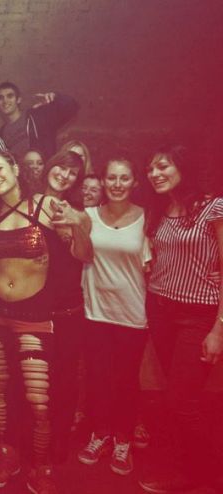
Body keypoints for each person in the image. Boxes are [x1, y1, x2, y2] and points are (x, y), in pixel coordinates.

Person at [0, 151, 86, 494]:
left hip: (34, 318)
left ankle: (41, 465)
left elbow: (83, 255)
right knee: (0, 387)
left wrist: (77, 225)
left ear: (15, 169)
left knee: (39, 401)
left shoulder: (44, 205)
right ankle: (8, 455)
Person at [138, 144, 223, 493]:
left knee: (181, 401)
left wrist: (219, 329)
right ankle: (188, 466)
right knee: (178, 398)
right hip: (161, 310)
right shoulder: (160, 210)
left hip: (197, 315)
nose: (155, 174)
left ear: (182, 167)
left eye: (163, 166)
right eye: (150, 169)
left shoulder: (213, 207)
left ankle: (206, 474)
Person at [78, 159, 150, 476]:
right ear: (103, 181)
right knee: (97, 378)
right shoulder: (89, 216)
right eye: (111, 178)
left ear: (134, 182)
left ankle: (123, 439)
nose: (117, 184)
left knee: (125, 381)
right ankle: (100, 434)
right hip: (95, 312)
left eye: (124, 178)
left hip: (132, 313)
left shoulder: (147, 217)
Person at [39, 150, 93, 462]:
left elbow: (86, 256)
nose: (65, 175)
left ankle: (59, 440)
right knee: (36, 380)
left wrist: (76, 224)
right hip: (33, 309)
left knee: (65, 379)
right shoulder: (29, 204)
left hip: (67, 310)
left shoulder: (79, 213)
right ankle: (36, 438)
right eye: (61, 167)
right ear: (50, 166)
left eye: (73, 173)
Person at [0, 82, 79, 158]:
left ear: (18, 99)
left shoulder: (38, 116)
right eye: (0, 98)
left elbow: (72, 107)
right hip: (21, 171)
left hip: (45, 169)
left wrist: (56, 97)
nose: (5, 100)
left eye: (10, 96)